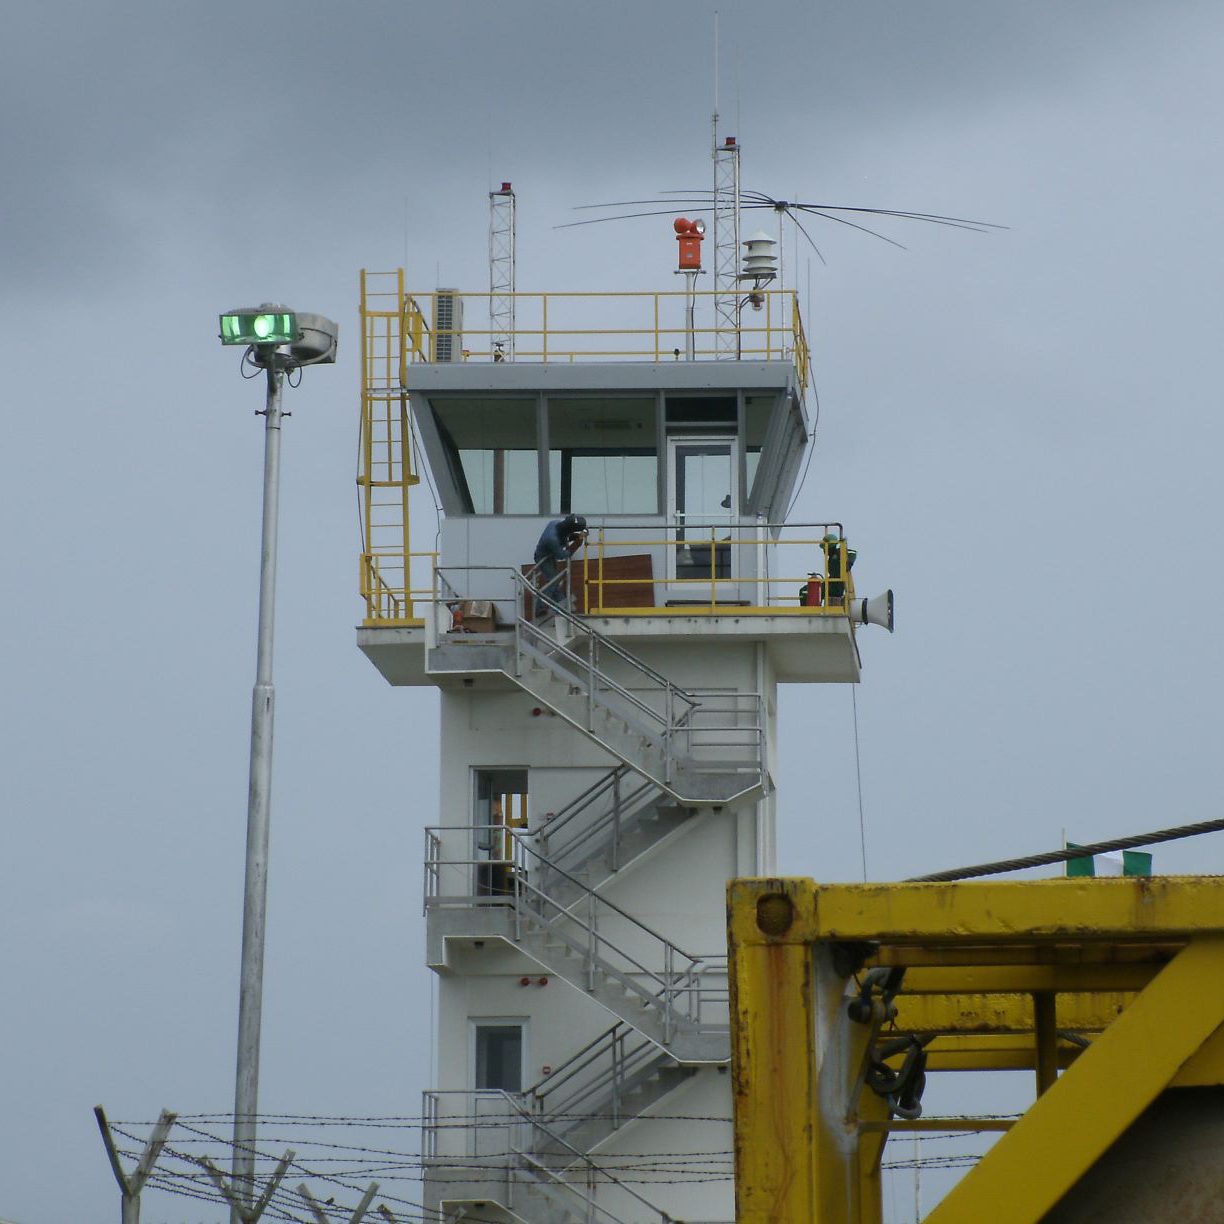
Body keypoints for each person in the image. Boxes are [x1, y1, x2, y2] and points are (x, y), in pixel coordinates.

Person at [533, 514, 587, 616]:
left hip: (550, 555)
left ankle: (561, 602)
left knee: (554, 581)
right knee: (553, 581)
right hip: (543, 558)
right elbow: (563, 555)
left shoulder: (556, 523)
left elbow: (565, 537)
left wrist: (577, 535)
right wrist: (577, 543)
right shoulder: (552, 539)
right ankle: (540, 608)